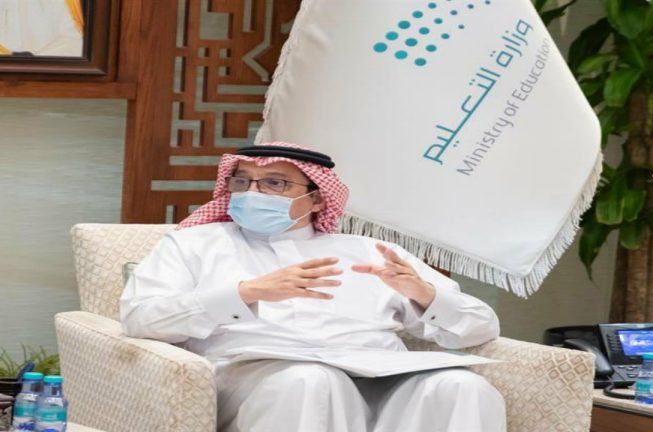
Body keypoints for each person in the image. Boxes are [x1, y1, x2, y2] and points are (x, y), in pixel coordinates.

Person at [120, 142, 506, 432]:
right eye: (242, 181)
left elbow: (480, 327)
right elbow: (141, 318)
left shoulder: (369, 251)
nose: (252, 192)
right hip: (257, 379)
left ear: (317, 198)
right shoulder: (194, 244)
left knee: (462, 386)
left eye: (274, 183)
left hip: (380, 378)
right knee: (311, 379)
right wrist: (246, 293)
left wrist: (425, 295)